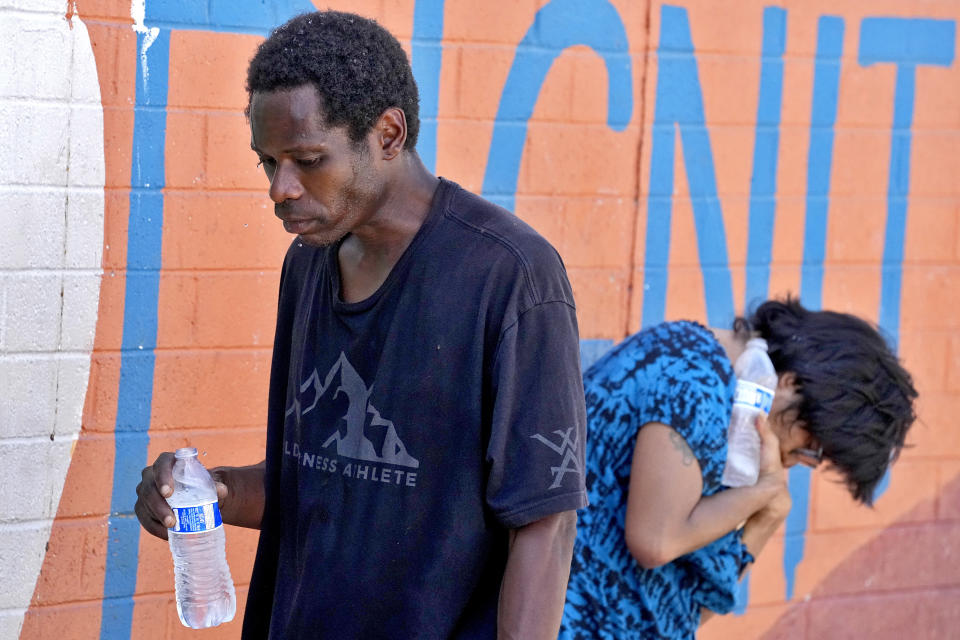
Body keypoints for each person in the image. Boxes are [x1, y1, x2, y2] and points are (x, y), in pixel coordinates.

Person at [134, 11, 588, 639]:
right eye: (269, 163)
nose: (280, 189)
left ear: (389, 133)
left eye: (308, 159)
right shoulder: (309, 263)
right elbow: (318, 479)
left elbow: (544, 521)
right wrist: (211, 494)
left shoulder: (510, 275)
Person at [559, 298, 918, 639]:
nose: (795, 461)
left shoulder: (727, 419)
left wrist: (764, 523)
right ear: (792, 384)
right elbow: (656, 541)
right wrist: (759, 494)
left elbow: (684, 609)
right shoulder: (693, 374)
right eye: (812, 446)